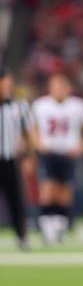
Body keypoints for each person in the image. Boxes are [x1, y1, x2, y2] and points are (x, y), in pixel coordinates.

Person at [31, 72, 83, 244]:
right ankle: (47, 230)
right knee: (47, 190)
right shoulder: (41, 105)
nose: (59, 89)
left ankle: (58, 230)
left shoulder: (77, 105)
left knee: (64, 193)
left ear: (68, 88)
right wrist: (38, 144)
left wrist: (81, 147)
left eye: (62, 86)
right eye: (55, 86)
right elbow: (31, 128)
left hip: (68, 153)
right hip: (49, 153)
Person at [0, 66, 34, 250]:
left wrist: (29, 158)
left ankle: (21, 236)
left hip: (11, 159)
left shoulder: (18, 106)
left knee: (16, 199)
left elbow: (27, 133)